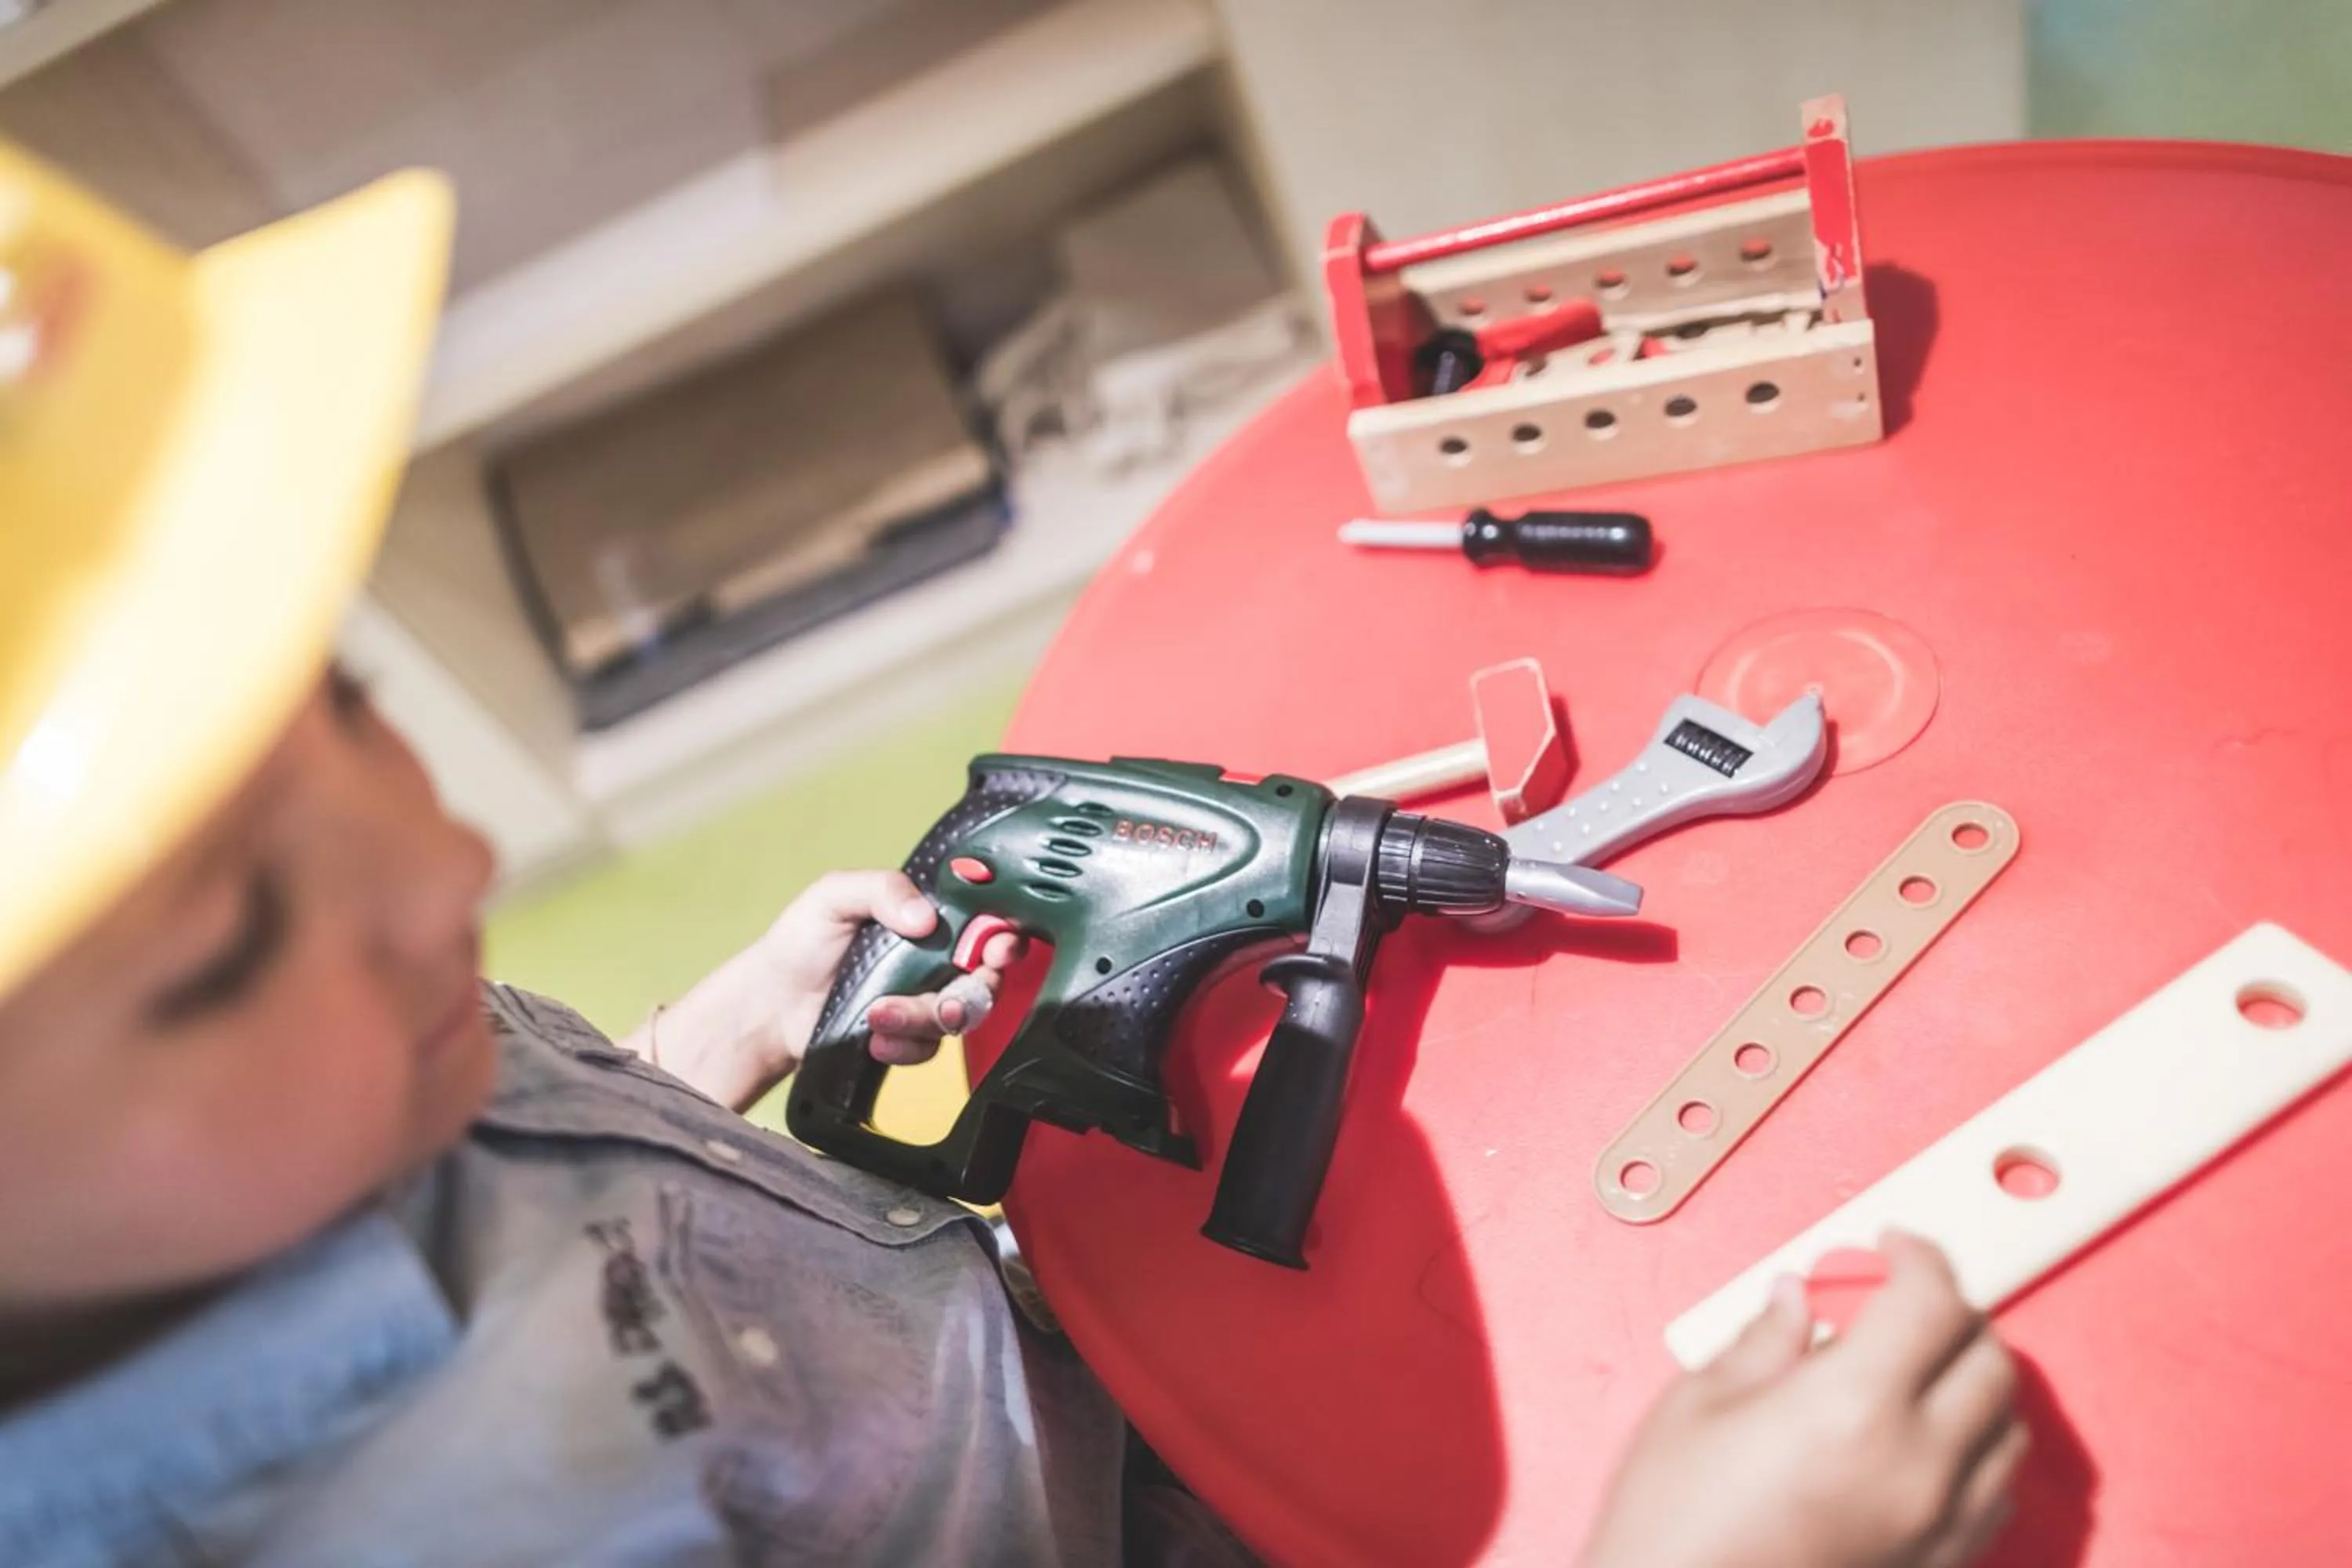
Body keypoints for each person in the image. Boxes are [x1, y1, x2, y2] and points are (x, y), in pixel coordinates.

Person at [0, 147, 2024, 1566]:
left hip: (1054, 1384)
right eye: (230, 934)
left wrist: (702, 1041)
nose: (446, 865)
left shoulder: (344, 1046)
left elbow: (525, 1183)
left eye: (344, 710)